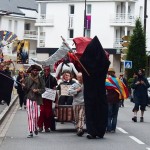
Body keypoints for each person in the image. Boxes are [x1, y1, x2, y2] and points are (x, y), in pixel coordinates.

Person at [22, 64, 45, 138]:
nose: (36, 71)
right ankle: (30, 131)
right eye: (34, 70)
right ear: (31, 71)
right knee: (30, 116)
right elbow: (24, 89)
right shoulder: (27, 79)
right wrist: (23, 86)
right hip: (29, 98)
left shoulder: (40, 79)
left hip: (37, 99)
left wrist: (38, 90)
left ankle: (35, 126)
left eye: (37, 70)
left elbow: (43, 89)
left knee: (36, 116)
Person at [38, 66, 58, 132]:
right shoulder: (40, 78)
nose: (46, 71)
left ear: (49, 71)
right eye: (45, 70)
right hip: (42, 98)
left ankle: (47, 127)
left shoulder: (52, 78)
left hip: (49, 98)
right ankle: (40, 126)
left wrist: (54, 95)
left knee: (48, 113)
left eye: (48, 70)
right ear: (43, 71)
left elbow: (54, 88)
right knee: (42, 111)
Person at [106, 68, 124, 133]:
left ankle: (109, 128)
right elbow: (121, 90)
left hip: (109, 99)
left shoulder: (107, 80)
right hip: (117, 100)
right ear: (114, 73)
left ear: (108, 73)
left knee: (109, 115)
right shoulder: (118, 80)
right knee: (115, 115)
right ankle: (113, 129)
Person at [68, 72, 85, 136]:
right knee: (77, 117)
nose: (80, 78)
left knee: (81, 117)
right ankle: (78, 128)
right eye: (79, 77)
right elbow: (69, 92)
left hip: (83, 103)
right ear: (77, 78)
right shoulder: (74, 85)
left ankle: (80, 129)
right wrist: (76, 91)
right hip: (76, 103)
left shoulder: (86, 84)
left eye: (81, 77)